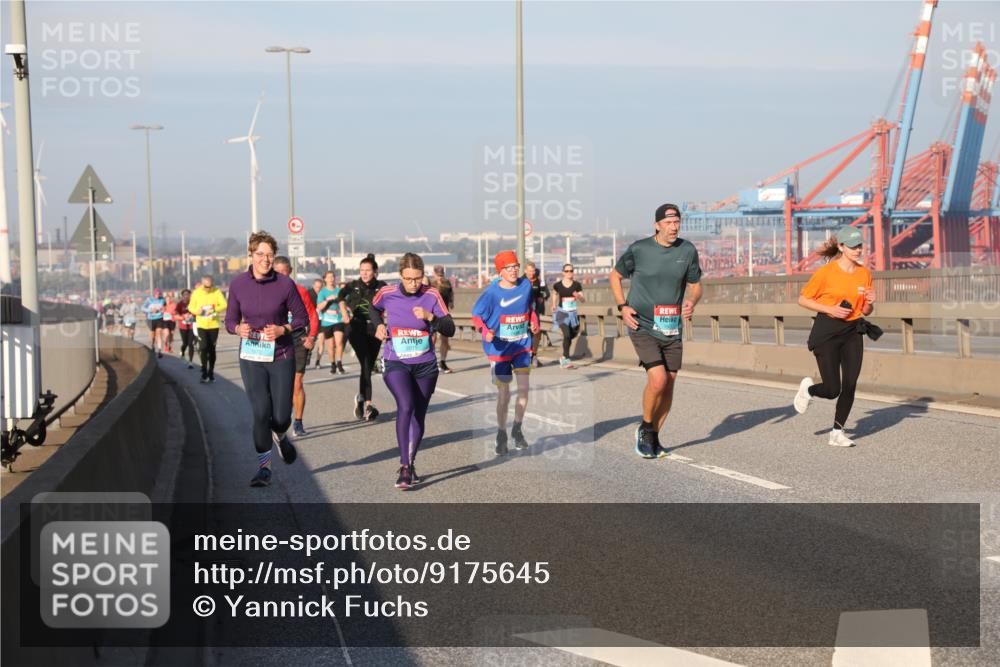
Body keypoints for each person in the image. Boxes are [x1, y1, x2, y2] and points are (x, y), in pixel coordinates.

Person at [610, 203, 702, 459]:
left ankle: (653, 436)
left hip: (671, 327)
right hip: (642, 324)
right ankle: (647, 427)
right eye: (669, 223)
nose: (674, 228)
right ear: (657, 225)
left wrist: (691, 302)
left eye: (677, 223)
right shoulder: (639, 250)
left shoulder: (687, 250)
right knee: (658, 379)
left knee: (670, 384)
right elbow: (615, 276)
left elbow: (696, 286)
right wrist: (623, 307)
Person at [225, 232, 309, 487]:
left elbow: (302, 319)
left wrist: (283, 329)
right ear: (251, 255)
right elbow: (229, 320)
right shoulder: (238, 284)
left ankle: (281, 435)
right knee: (261, 412)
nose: (266, 259)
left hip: (281, 355)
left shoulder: (285, 284)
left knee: (281, 416)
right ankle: (264, 468)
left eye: (270, 255)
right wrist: (237, 329)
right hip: (251, 356)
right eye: (260, 254)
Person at [371, 253, 455, 489]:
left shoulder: (431, 295)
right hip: (395, 359)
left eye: (417, 279)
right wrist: (378, 324)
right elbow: (372, 308)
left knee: (418, 413)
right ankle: (404, 467)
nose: (413, 284)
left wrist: (431, 317)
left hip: (425, 364)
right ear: (401, 276)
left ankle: (412, 462)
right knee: (405, 405)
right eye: (408, 279)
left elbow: (450, 328)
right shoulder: (388, 293)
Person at [793, 225, 881, 447]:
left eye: (860, 246)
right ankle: (809, 389)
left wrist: (871, 302)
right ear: (841, 247)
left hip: (853, 331)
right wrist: (829, 309)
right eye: (852, 246)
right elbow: (803, 299)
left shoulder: (864, 274)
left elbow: (865, 311)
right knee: (833, 389)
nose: (858, 250)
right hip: (828, 331)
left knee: (850, 384)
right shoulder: (826, 272)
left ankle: (837, 432)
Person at [471, 250, 540, 455]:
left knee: (524, 390)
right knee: (504, 394)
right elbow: (476, 316)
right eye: (508, 268)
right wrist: (485, 332)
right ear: (500, 271)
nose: (513, 271)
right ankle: (501, 432)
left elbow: (530, 307)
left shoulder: (526, 284)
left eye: (515, 267)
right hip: (499, 350)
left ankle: (517, 430)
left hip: (521, 345)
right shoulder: (492, 293)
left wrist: (534, 322)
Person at [272, 256, 320, 436]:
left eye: (285, 272)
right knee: (278, 384)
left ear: (290, 271)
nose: (283, 276)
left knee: (297, 383)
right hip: (277, 340)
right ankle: (281, 415)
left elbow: (313, 316)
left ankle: (298, 422)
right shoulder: (268, 292)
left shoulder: (300, 291)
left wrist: (312, 336)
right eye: (278, 273)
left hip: (299, 340)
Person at [340, 254, 387, 421]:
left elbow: (391, 304)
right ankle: (368, 405)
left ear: (375, 271)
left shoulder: (382, 287)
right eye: (362, 270)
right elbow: (340, 297)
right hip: (356, 328)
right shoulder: (353, 285)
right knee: (366, 363)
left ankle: (360, 398)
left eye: (368, 270)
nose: (365, 273)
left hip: (374, 329)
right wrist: (345, 313)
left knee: (367, 367)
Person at [188, 275, 228, 383]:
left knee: (212, 350)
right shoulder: (197, 293)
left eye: (210, 286)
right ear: (202, 284)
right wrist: (198, 311)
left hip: (214, 325)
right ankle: (204, 372)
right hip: (201, 325)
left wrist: (214, 309)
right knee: (203, 348)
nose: (208, 289)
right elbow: (190, 307)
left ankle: (211, 372)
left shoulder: (216, 291)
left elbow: (224, 305)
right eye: (206, 286)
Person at [551, 263, 585, 369]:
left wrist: (578, 296)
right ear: (563, 273)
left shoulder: (577, 285)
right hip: (562, 313)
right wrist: (553, 304)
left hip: (573, 314)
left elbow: (583, 300)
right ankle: (566, 359)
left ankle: (564, 356)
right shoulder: (558, 285)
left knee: (571, 335)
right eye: (567, 271)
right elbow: (555, 293)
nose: (569, 273)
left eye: (571, 271)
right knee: (566, 335)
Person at [316, 270, 350, 375]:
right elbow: (319, 307)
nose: (331, 279)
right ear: (325, 279)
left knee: (339, 342)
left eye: (332, 277)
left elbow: (346, 302)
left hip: (338, 320)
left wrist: (346, 311)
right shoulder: (322, 292)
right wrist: (328, 300)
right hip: (326, 322)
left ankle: (339, 362)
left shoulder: (340, 290)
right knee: (330, 346)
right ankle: (333, 364)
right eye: (329, 277)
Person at [430, 265, 455, 373]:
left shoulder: (447, 284)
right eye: (438, 275)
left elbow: (451, 294)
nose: (440, 277)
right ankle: (430, 360)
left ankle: (443, 362)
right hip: (432, 314)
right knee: (433, 338)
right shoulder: (431, 285)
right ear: (434, 274)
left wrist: (451, 302)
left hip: (444, 314)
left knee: (445, 339)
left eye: (441, 275)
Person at [524, 261, 549, 367]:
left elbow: (543, 293)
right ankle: (524, 357)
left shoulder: (537, 281)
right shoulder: (521, 281)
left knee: (537, 332)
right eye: (529, 271)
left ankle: (534, 356)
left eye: (533, 271)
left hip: (534, 311)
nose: (531, 273)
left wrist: (541, 298)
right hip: (523, 311)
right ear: (525, 271)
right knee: (525, 333)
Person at [142, 288, 167, 358]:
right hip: (151, 319)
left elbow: (165, 307)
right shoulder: (149, 300)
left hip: (159, 318)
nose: (157, 295)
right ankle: (152, 345)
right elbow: (142, 308)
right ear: (154, 294)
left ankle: (159, 350)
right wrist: (150, 310)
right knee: (153, 334)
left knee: (159, 333)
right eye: (156, 294)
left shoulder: (162, 299)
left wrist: (164, 309)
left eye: (159, 294)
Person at [176, 289, 198, 369]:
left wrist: (192, 316)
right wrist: (183, 317)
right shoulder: (179, 304)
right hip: (183, 326)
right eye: (184, 295)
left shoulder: (193, 304)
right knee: (185, 343)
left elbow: (197, 313)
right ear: (182, 296)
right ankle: (182, 352)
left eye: (188, 294)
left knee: (190, 344)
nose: (186, 296)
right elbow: (175, 315)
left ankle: (190, 362)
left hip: (192, 326)